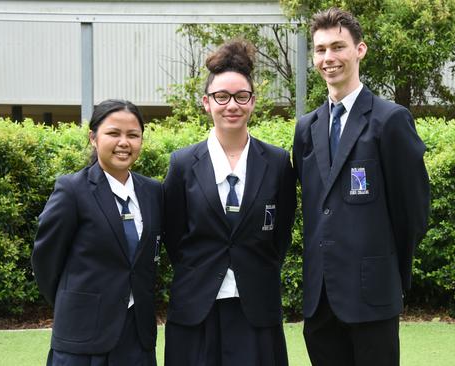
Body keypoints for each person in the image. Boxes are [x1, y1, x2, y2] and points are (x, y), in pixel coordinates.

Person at [292, 8, 431, 366]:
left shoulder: (390, 120)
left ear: (360, 50)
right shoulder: (306, 128)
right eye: (320, 49)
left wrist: (387, 271)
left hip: (372, 296)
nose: (328, 58)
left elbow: (413, 211)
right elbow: (314, 208)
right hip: (320, 299)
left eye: (338, 47)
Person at [163, 39, 296, 366]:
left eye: (241, 96)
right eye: (222, 97)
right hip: (196, 306)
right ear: (207, 103)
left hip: (256, 306)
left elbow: (280, 235)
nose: (231, 105)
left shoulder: (278, 163)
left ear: (253, 102)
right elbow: (173, 235)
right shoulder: (182, 164)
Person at [32, 99, 162, 366]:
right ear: (93, 138)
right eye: (113, 133)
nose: (124, 142)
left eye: (133, 135)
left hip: (137, 335)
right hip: (82, 336)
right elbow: (45, 260)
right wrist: (77, 302)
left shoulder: (153, 191)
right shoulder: (72, 190)